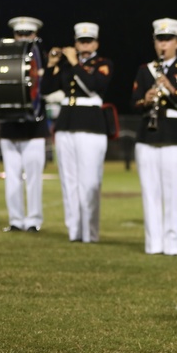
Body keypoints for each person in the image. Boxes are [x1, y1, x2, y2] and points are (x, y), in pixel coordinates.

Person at [131, 18, 177, 255]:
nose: (164, 44)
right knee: (150, 192)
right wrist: (146, 99)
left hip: (176, 136)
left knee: (174, 193)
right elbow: (134, 103)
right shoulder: (144, 70)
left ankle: (171, 244)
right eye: (160, 39)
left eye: (168, 40)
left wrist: (171, 89)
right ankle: (153, 244)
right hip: (147, 136)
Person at [41, 23, 113, 243]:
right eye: (81, 41)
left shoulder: (103, 64)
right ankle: (74, 230)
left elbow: (94, 86)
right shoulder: (65, 66)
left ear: (96, 43)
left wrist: (73, 62)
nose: (84, 45)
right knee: (68, 181)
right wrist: (52, 65)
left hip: (91, 126)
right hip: (66, 125)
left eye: (89, 41)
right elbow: (45, 90)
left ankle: (90, 232)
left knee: (89, 181)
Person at [0, 16, 49, 233]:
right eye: (19, 34)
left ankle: (33, 220)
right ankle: (15, 220)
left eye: (28, 34)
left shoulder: (45, 59)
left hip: (34, 127)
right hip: (10, 125)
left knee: (33, 177)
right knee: (12, 177)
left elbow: (47, 88)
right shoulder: (4, 57)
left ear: (35, 35)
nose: (23, 38)